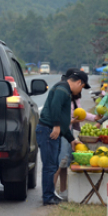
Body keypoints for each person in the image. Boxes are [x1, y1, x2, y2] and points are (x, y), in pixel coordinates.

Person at [36, 69, 90, 206]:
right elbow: (55, 106)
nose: (80, 91)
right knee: (49, 166)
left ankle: (50, 194)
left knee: (53, 165)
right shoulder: (63, 89)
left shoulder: (64, 89)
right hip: (48, 130)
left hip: (51, 130)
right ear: (78, 82)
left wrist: (71, 139)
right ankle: (48, 197)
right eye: (82, 87)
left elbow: (64, 121)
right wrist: (56, 125)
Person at [53, 70, 102, 200]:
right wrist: (72, 121)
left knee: (65, 162)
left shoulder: (76, 96)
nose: (81, 89)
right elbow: (59, 115)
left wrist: (94, 117)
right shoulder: (63, 93)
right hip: (61, 131)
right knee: (59, 162)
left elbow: (79, 112)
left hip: (68, 132)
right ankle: (51, 191)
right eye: (81, 86)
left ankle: (63, 190)